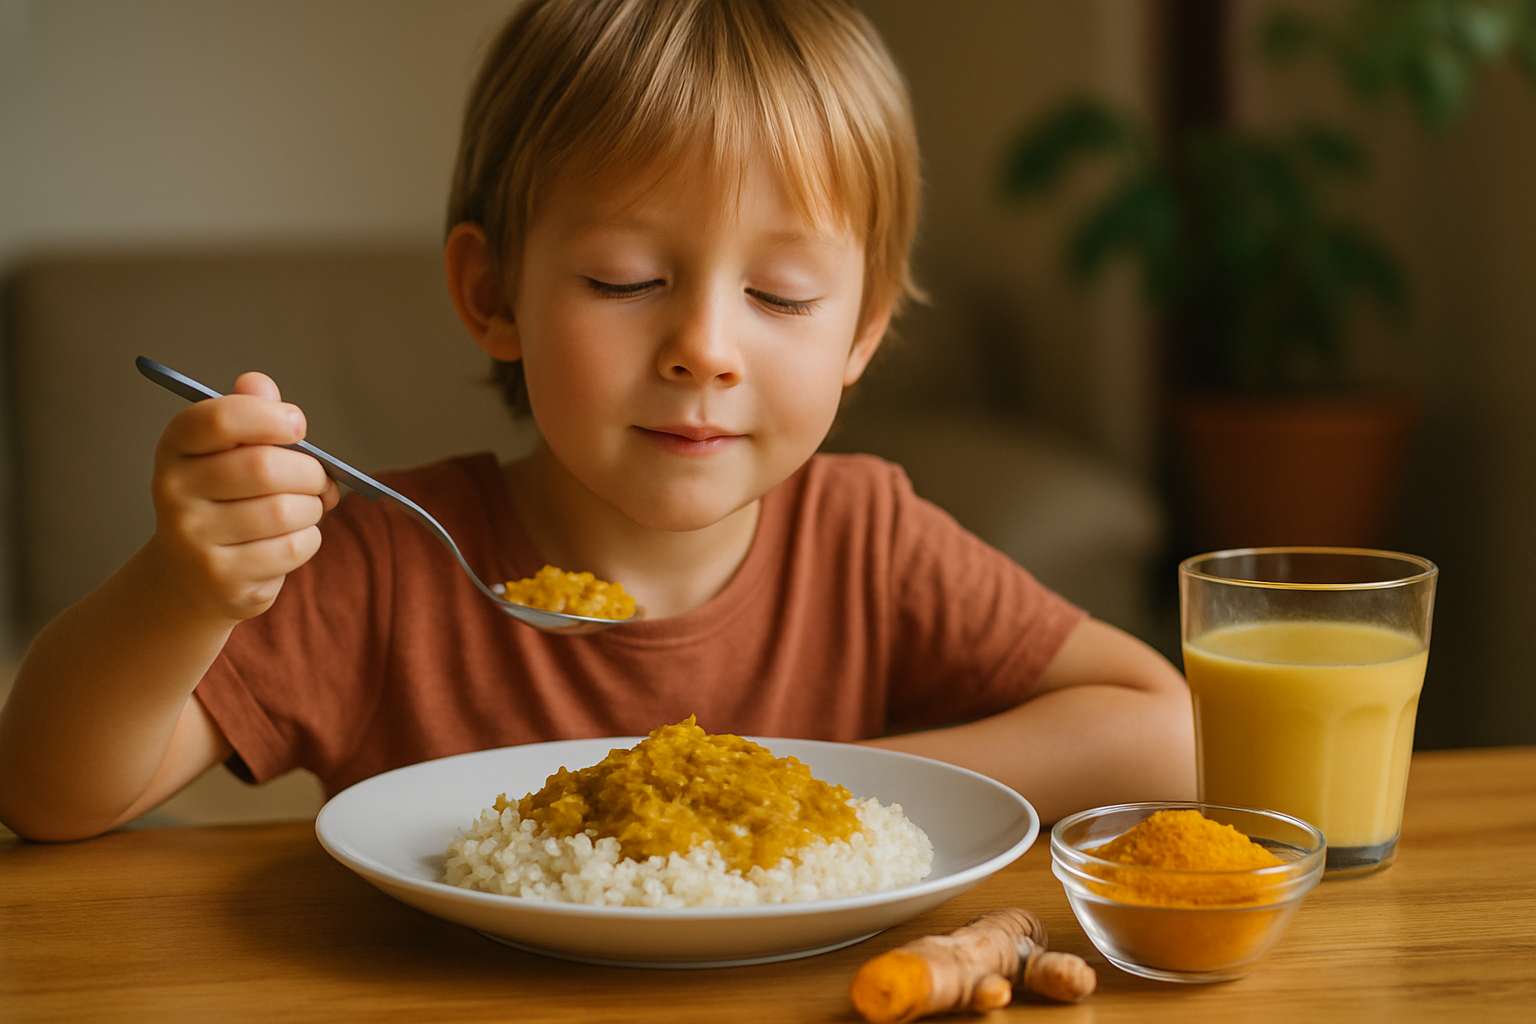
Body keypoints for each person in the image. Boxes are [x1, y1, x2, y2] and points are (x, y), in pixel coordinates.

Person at [0, 0, 1193, 842]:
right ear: (492, 294)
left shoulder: (866, 539)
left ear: (862, 332)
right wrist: (184, 587)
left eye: (781, 296)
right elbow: (48, 794)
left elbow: (1166, 736)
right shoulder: (387, 568)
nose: (706, 350)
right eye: (626, 278)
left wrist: (816, 783)